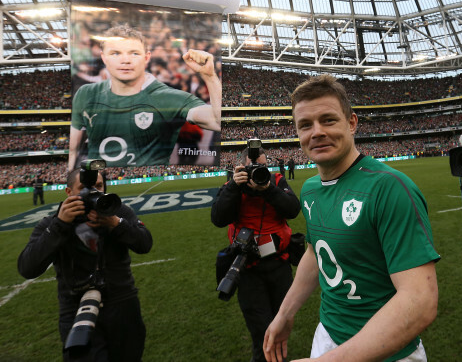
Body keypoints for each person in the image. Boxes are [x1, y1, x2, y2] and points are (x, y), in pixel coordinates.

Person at [264, 75, 440, 362]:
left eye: (328, 120)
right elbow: (315, 251)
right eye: (305, 125)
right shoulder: (310, 189)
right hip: (328, 336)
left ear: (352, 123)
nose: (316, 132)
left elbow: (420, 301)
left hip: (387, 352)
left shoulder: (389, 187)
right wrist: (285, 314)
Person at [18, 167, 152, 361]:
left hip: (122, 303)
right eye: (84, 188)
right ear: (68, 192)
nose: (93, 192)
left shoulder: (118, 212)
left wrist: (115, 224)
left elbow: (145, 243)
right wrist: (60, 225)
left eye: (98, 186)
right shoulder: (52, 223)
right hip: (76, 308)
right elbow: (27, 268)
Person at [68, 24, 221, 169]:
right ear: (104, 57)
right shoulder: (86, 94)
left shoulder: (169, 98)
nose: (125, 60)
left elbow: (217, 121)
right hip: (99, 189)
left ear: (146, 58)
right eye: (115, 53)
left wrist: (210, 77)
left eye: (134, 53)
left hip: (149, 190)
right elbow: (73, 151)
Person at [211, 145, 301, 362]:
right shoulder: (232, 186)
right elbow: (218, 219)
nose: (258, 170)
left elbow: (293, 209)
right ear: (241, 167)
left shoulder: (276, 181)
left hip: (279, 264)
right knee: (261, 329)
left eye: (262, 165)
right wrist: (234, 186)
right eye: (254, 167)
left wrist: (268, 189)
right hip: (248, 267)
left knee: (282, 322)